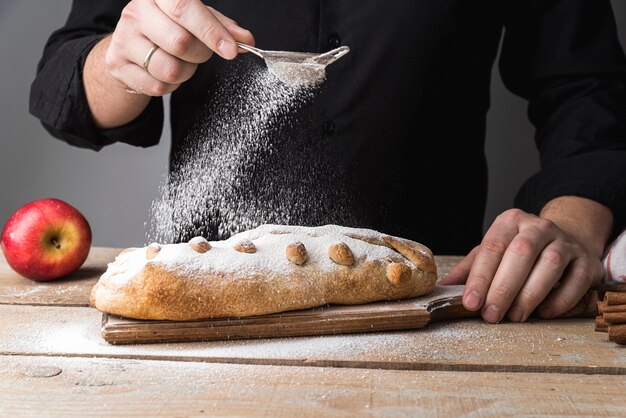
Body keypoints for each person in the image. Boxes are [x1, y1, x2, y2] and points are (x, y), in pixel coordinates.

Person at [29, 0, 626, 324]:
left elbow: (586, 86)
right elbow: (64, 84)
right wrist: (123, 60)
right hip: (197, 302)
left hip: (433, 302)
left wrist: (576, 221)